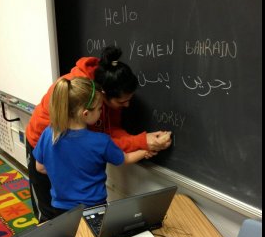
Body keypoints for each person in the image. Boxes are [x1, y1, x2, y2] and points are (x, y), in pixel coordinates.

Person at [25, 45, 172, 222]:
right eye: (121, 102)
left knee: (59, 228)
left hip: (62, 202)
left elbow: (42, 166)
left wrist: (141, 142)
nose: (127, 106)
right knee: (47, 217)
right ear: (101, 98)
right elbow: (111, 148)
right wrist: (143, 144)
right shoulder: (79, 101)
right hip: (89, 202)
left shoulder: (86, 112)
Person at [32, 78, 153, 214]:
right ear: (85, 114)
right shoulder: (101, 141)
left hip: (60, 209)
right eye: (99, 109)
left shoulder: (49, 133)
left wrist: (63, 173)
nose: (101, 112)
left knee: (71, 236)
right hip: (94, 208)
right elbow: (125, 159)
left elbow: (40, 167)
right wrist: (145, 151)